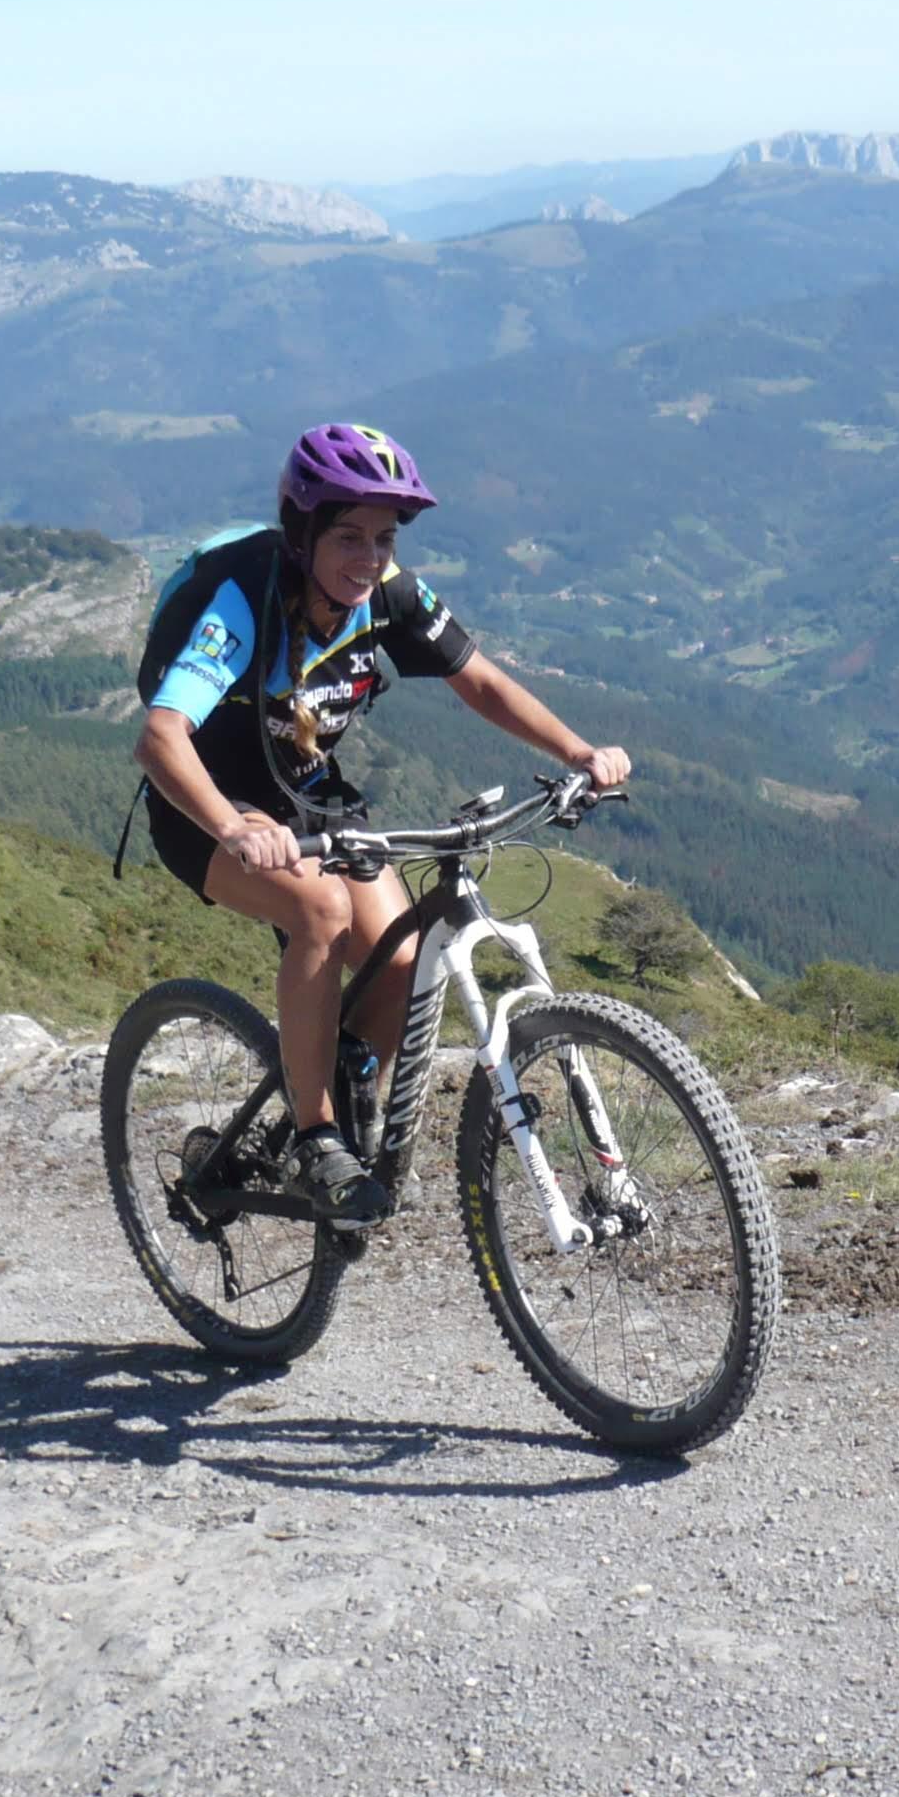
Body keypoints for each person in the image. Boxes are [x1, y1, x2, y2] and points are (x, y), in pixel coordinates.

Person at [132, 422, 631, 1229]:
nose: (369, 558)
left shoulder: (386, 593)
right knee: (320, 909)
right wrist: (233, 828)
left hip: (308, 796)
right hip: (205, 804)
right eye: (349, 537)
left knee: (403, 959)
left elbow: (480, 681)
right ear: (302, 534)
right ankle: (315, 1138)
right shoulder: (244, 598)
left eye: (384, 538)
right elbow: (160, 739)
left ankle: (340, 1079)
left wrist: (577, 752)